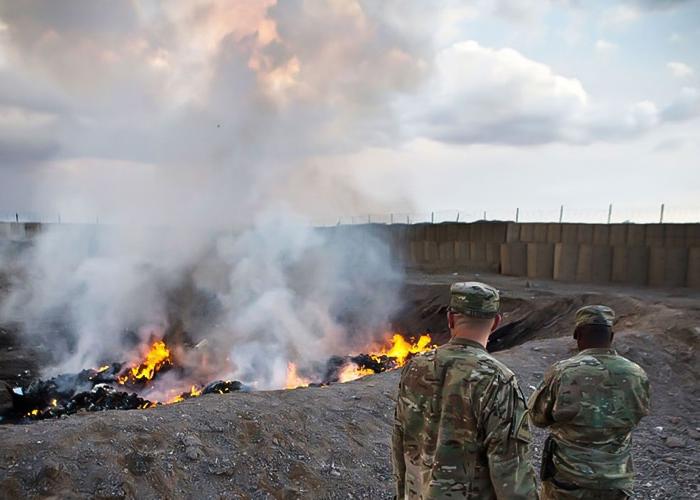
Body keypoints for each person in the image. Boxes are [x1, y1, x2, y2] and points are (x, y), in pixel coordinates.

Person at [392, 282, 538, 499]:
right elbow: (510, 472)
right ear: (495, 323)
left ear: (450, 319)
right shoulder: (498, 380)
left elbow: (400, 440)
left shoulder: (415, 368)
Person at [529, 305, 651, 500]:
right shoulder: (636, 373)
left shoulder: (563, 372)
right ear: (611, 336)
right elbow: (639, 413)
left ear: (577, 334)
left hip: (569, 479)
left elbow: (537, 417)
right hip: (616, 480)